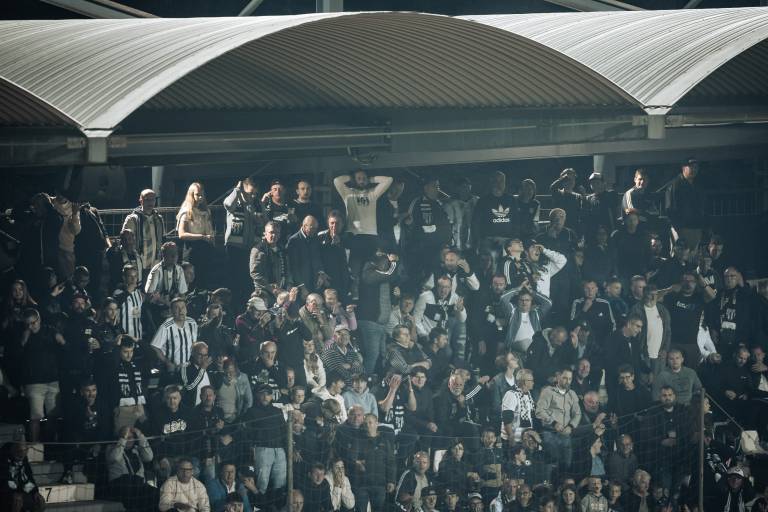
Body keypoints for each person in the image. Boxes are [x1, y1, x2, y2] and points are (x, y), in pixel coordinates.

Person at [333, 170, 393, 276]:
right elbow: (337, 181)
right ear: (354, 180)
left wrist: (370, 179)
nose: (362, 181)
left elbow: (389, 180)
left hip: (371, 237)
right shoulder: (348, 193)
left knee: (372, 271)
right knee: (355, 272)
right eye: (359, 179)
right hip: (354, 237)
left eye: (364, 178)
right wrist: (351, 178)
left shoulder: (372, 193)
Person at [19, 308, 65, 441]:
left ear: (39, 320)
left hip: (53, 380)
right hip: (34, 382)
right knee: (35, 417)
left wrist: (62, 341)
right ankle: (34, 447)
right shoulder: (24, 335)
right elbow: (17, 357)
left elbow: (64, 347)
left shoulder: (50, 331)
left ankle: (50, 446)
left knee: (53, 416)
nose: (30, 326)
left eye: (33, 323)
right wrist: (23, 340)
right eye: (27, 324)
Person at [241, 384, 287, 500]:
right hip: (262, 449)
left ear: (271, 396)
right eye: (262, 394)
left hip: (279, 450)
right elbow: (245, 431)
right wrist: (251, 447)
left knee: (280, 482)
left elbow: (284, 431)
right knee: (262, 483)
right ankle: (260, 506)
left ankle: (277, 506)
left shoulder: (277, 411)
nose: (265, 397)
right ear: (257, 395)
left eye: (268, 394)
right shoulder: (251, 411)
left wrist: (288, 448)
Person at [223, 177, 262, 305]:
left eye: (255, 193)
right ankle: (234, 307)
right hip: (235, 247)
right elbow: (228, 205)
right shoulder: (235, 201)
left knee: (248, 281)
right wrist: (237, 190)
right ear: (243, 190)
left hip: (253, 248)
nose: (253, 196)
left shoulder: (257, 204)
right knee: (235, 280)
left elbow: (265, 221)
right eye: (250, 193)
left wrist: (258, 219)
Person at [358, 251, 399, 374]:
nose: (387, 264)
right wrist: (394, 262)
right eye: (385, 262)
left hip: (381, 323)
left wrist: (396, 295)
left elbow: (386, 295)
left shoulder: (382, 276)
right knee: (372, 355)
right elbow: (390, 275)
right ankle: (363, 380)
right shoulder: (369, 272)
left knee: (382, 355)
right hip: (370, 322)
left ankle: (377, 380)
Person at [536, 367, 581, 475]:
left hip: (566, 434)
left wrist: (571, 426)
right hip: (550, 433)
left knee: (567, 467)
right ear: (557, 377)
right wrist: (553, 423)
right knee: (553, 466)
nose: (567, 381)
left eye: (570, 379)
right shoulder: (548, 391)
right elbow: (539, 411)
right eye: (565, 378)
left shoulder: (572, 394)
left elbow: (577, 414)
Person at [106, 426, 157, 512]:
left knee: (154, 492)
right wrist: (123, 438)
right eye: (126, 437)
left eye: (131, 437)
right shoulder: (111, 448)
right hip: (119, 484)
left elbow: (149, 457)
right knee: (129, 481)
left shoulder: (137, 449)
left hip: (138, 485)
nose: (128, 440)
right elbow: (115, 458)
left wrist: (140, 435)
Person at [176, 182, 216, 289]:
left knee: (204, 280)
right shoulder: (186, 211)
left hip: (206, 248)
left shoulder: (206, 211)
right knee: (191, 280)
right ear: (191, 195)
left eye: (202, 194)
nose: (200, 197)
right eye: (198, 194)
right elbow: (181, 234)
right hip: (192, 249)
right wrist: (201, 236)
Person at [664, 158, 706, 253]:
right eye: (691, 167)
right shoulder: (675, 185)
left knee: (693, 257)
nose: (694, 169)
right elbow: (669, 209)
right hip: (681, 229)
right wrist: (678, 229)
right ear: (683, 168)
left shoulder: (697, 186)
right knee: (679, 256)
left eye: (696, 167)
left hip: (695, 228)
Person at [123, 188, 165, 280]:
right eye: (147, 200)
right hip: (138, 263)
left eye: (153, 199)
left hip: (155, 263)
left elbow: (162, 239)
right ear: (141, 200)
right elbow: (125, 241)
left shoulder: (159, 219)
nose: (150, 202)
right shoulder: (132, 219)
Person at [629, 284, 671, 376]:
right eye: (650, 294)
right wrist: (638, 351)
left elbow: (668, 332)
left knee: (659, 382)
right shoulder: (636, 309)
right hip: (644, 355)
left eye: (655, 294)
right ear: (644, 294)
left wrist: (665, 349)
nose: (653, 297)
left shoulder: (662, 310)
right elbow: (632, 332)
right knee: (645, 380)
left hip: (659, 355)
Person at [151, 297, 198, 373]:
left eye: (183, 307)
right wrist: (167, 362)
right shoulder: (166, 327)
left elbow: (194, 344)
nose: (181, 311)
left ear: (186, 309)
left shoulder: (192, 323)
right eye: (177, 308)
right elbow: (154, 346)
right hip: (172, 369)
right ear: (172, 311)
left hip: (188, 367)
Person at [287, 216, 329, 294]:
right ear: (304, 226)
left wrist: (321, 273)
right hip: (302, 286)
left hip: (316, 283)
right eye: (312, 228)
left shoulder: (315, 238)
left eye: (316, 229)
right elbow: (294, 267)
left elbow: (318, 258)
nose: (315, 231)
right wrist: (301, 286)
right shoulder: (294, 241)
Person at [249, 221, 289, 302]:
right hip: (263, 292)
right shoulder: (258, 250)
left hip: (280, 290)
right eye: (271, 232)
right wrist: (272, 289)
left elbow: (287, 270)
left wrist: (288, 285)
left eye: (277, 233)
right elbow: (255, 274)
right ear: (265, 234)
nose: (274, 235)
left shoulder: (282, 250)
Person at [0, 441, 45, 512]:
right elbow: (3, 481)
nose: (21, 457)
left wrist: (34, 491)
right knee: (17, 501)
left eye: (24, 454)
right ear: (13, 450)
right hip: (5, 493)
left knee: (40, 501)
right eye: (19, 455)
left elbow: (28, 477)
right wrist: (14, 493)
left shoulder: (23, 458)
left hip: (20, 491)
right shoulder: (3, 459)